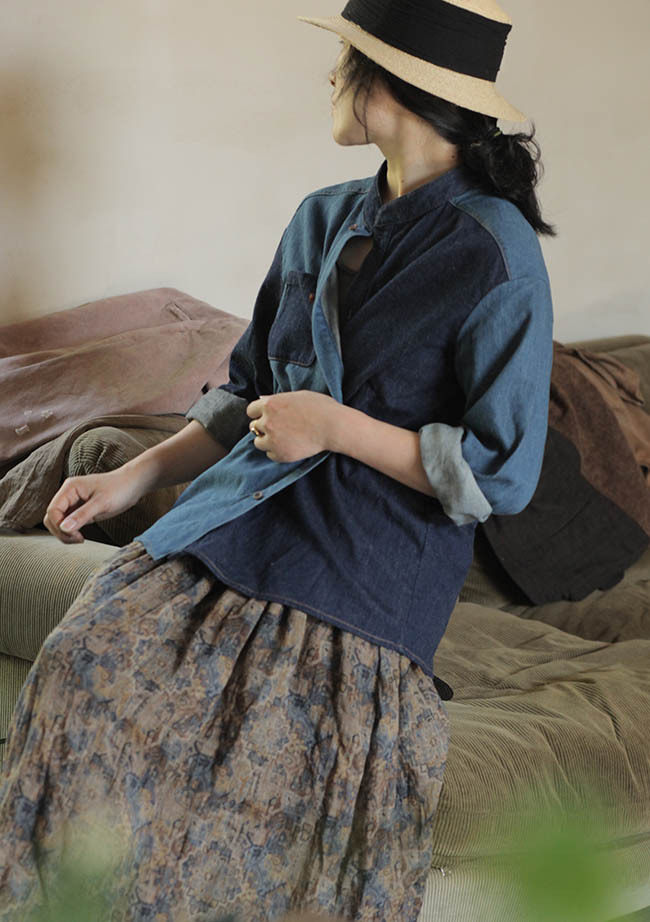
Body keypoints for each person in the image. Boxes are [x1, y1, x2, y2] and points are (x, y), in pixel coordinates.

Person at [0, 0, 556, 919]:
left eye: (348, 57)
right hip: (233, 523)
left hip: (362, 569)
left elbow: (500, 472)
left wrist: (336, 428)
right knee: (84, 664)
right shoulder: (319, 219)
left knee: (260, 759)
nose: (332, 74)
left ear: (395, 83)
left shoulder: (497, 254)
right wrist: (132, 475)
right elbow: (247, 392)